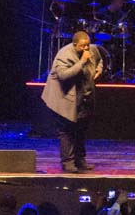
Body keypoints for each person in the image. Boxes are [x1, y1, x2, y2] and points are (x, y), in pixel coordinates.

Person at [42, 31, 103, 173]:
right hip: (63, 98)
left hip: (83, 96)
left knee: (81, 129)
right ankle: (67, 162)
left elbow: (100, 59)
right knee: (67, 130)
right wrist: (82, 62)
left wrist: (99, 69)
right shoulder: (64, 55)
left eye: (87, 45)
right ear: (75, 44)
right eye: (82, 46)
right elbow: (63, 75)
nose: (86, 48)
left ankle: (80, 159)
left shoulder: (92, 49)